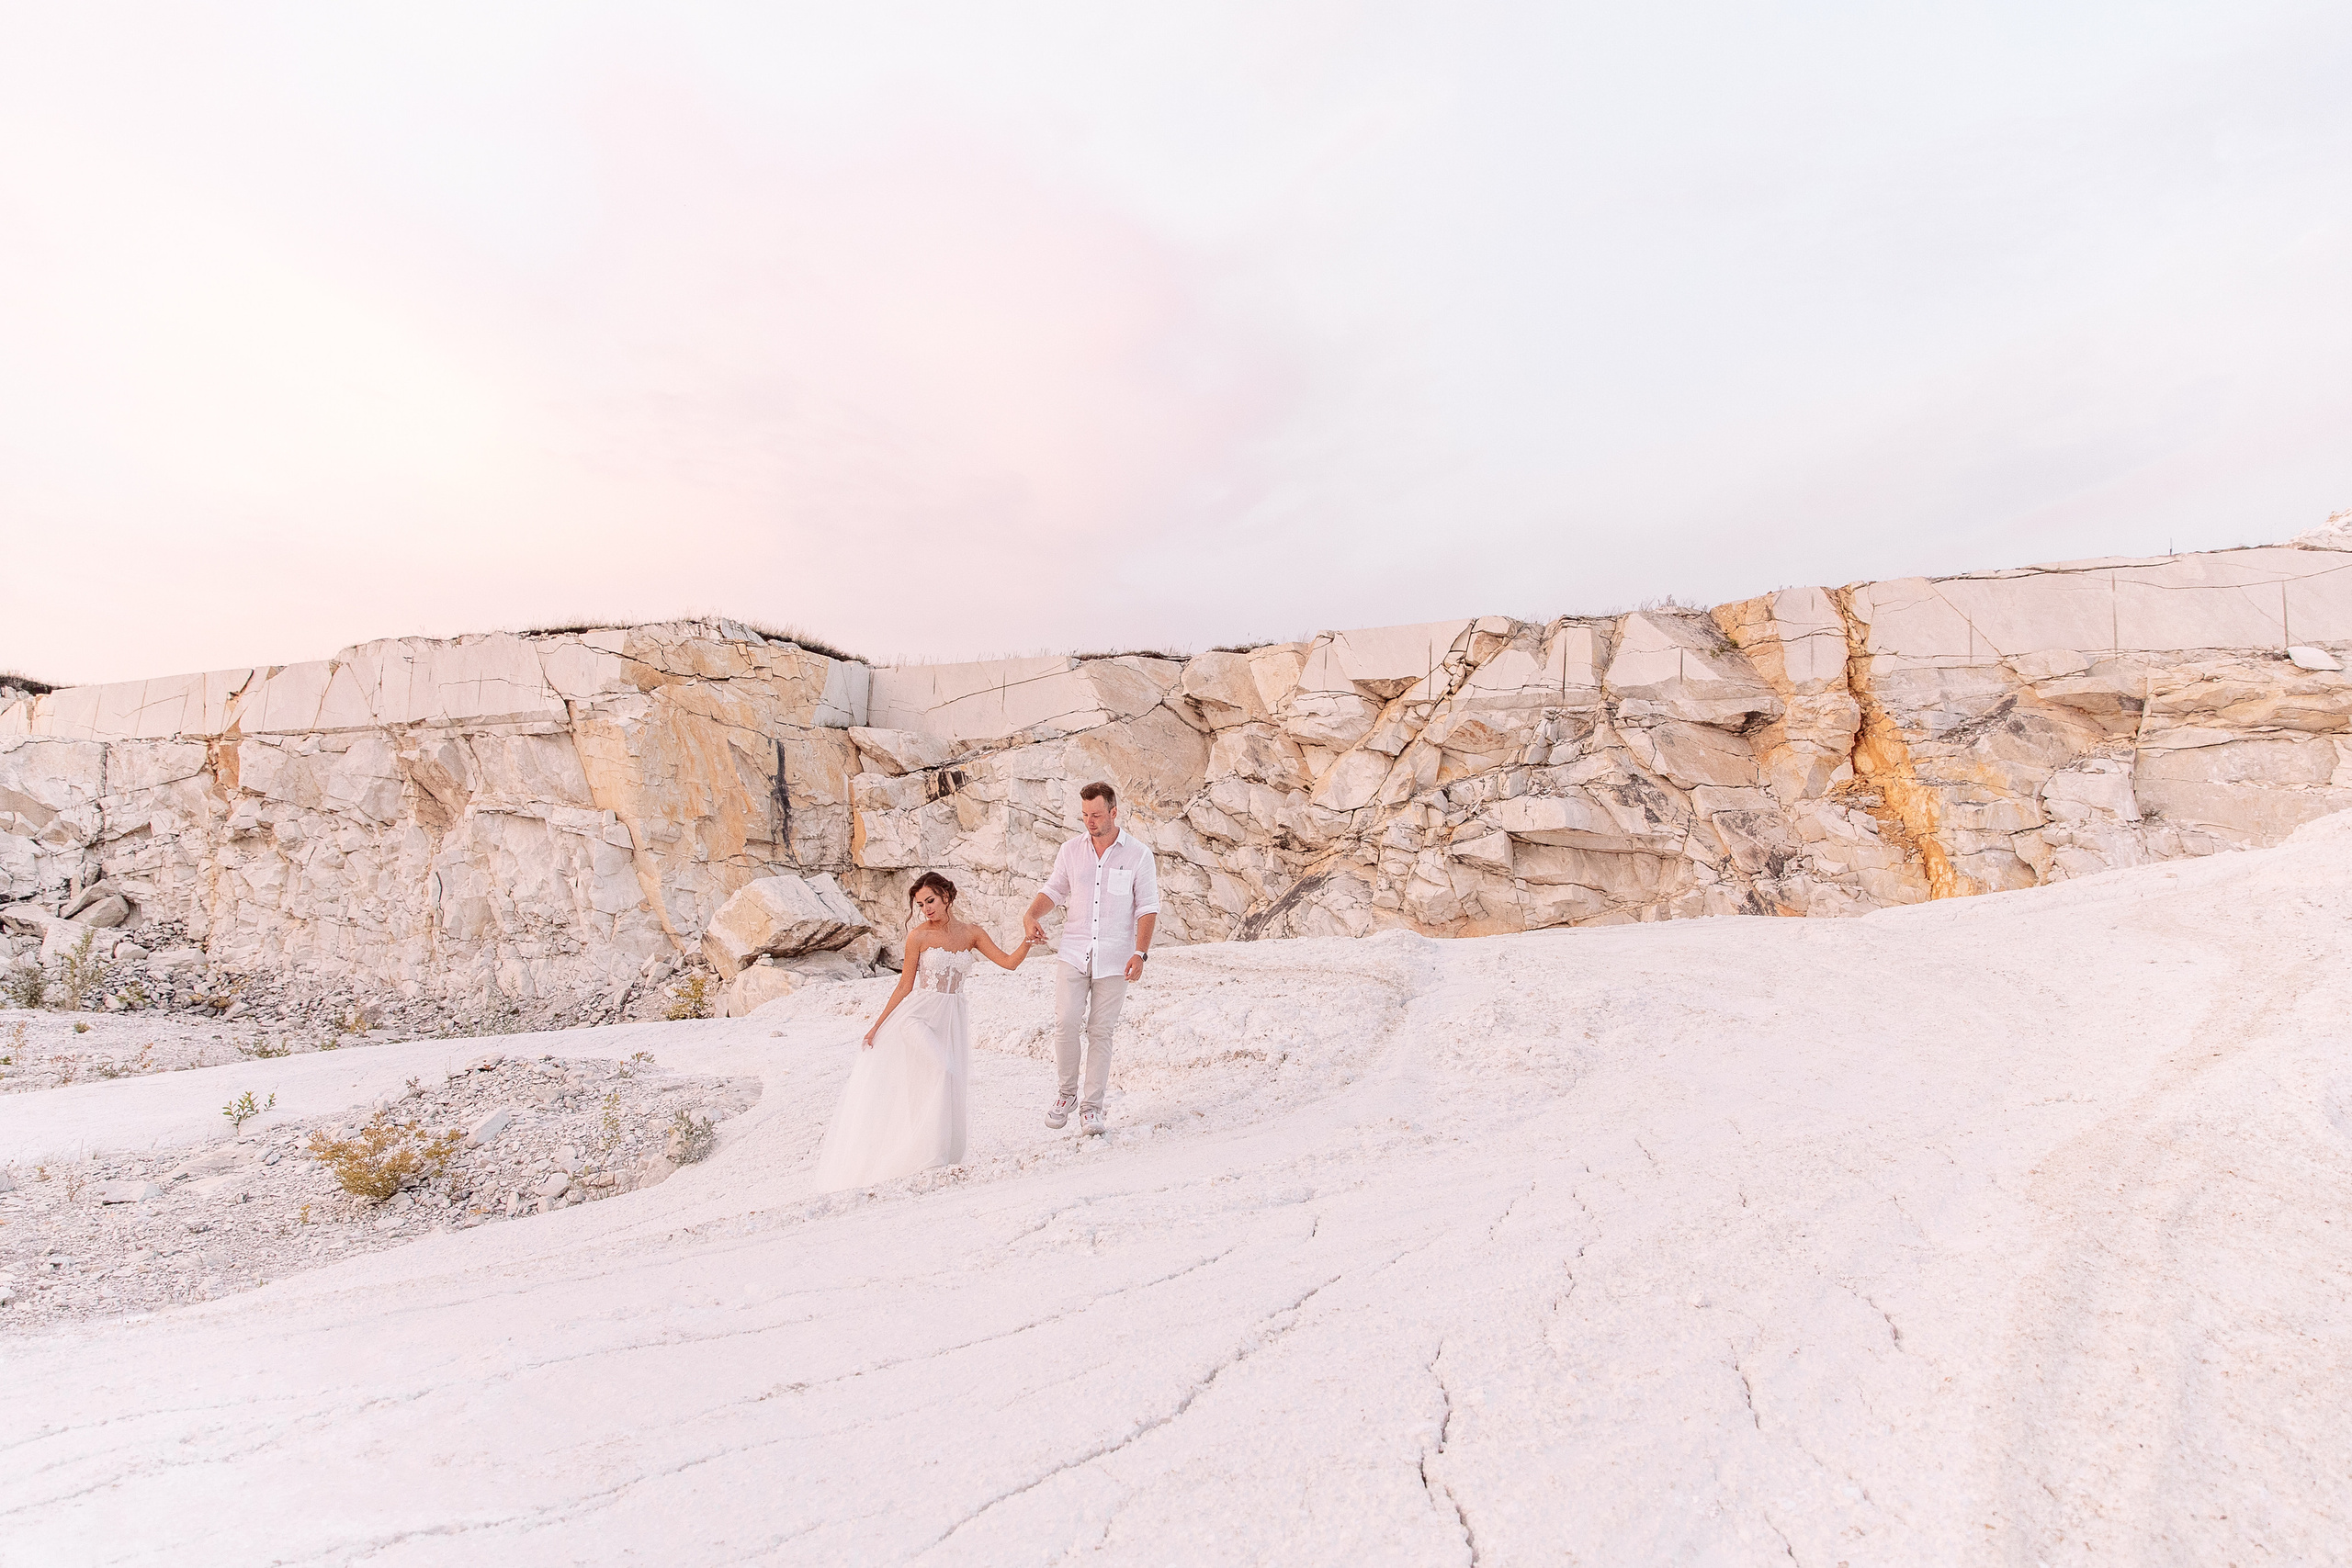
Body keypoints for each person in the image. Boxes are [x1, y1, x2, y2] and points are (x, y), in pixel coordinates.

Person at [810, 872, 1030, 1191]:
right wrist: (877, 1025)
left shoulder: (972, 933)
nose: (926, 909)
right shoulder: (918, 937)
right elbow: (904, 985)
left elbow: (1009, 963)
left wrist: (1028, 939)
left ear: (946, 897)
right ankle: (929, 1156)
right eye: (920, 904)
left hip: (951, 1018)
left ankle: (936, 1150)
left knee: (946, 1079)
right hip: (917, 1017)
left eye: (930, 901)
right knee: (943, 1069)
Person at [1023, 780, 1159, 1137]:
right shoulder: (1070, 850)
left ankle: (1091, 1108)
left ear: (1114, 812)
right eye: (1084, 815)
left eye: (1096, 814)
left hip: (1115, 956)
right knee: (1066, 1022)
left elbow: (1147, 907)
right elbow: (1055, 889)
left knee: (1101, 1031)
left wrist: (1140, 952)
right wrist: (1031, 914)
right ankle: (1066, 1094)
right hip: (1074, 949)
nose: (1090, 821)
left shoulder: (1139, 854)